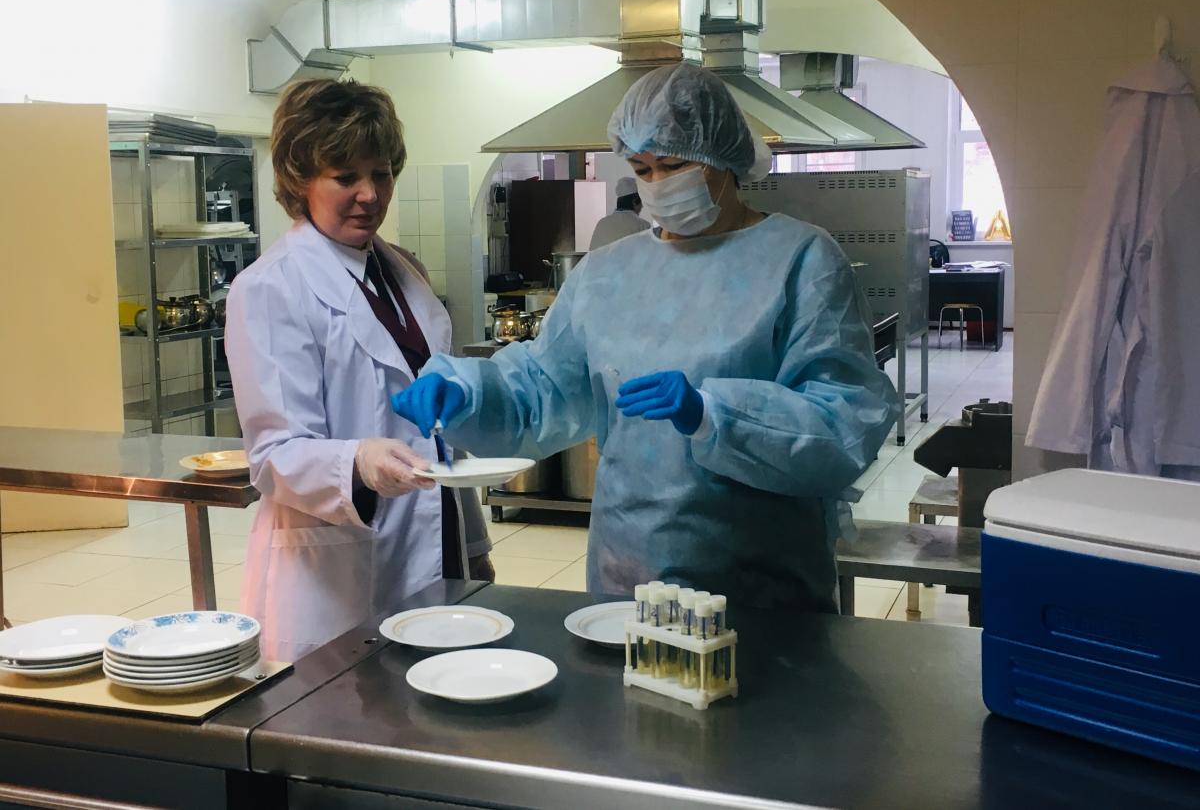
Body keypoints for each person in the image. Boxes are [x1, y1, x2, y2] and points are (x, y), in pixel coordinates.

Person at [391, 63, 897, 612]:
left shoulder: (802, 260)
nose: (657, 183)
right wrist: (470, 394)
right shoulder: (607, 273)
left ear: (724, 158)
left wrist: (715, 414)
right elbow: (543, 387)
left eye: (673, 165)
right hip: (627, 572)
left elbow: (844, 422)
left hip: (758, 579)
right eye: (641, 168)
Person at [225, 79, 492, 662]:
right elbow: (273, 455)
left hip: (435, 541)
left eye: (382, 174)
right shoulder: (270, 288)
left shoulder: (403, 271)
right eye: (346, 177)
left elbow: (433, 436)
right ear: (300, 180)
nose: (370, 195)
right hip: (339, 565)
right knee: (353, 704)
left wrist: (471, 546)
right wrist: (358, 462)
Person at [589, 176, 650, 250]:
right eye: (641, 202)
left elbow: (592, 253)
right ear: (634, 202)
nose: (642, 206)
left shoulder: (602, 223)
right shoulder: (642, 226)